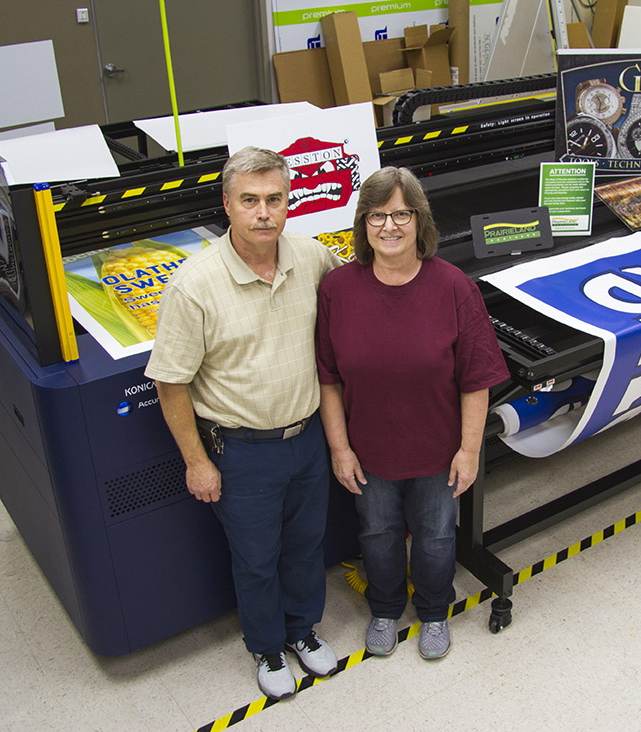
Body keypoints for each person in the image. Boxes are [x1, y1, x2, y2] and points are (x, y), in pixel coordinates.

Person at [145, 146, 341, 700]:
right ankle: (266, 646)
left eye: (274, 199)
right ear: (227, 204)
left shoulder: (311, 257)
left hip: (308, 439)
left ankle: (303, 631)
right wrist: (196, 462)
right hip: (241, 451)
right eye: (250, 201)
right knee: (256, 559)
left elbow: (358, 298)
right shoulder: (194, 285)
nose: (263, 213)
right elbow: (170, 383)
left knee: (306, 546)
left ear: (289, 202)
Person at [315, 166, 509, 660]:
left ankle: (432, 612)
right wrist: (340, 449)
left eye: (401, 214)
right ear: (363, 224)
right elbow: (328, 379)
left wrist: (469, 450)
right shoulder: (338, 289)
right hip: (369, 452)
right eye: (377, 215)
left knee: (436, 536)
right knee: (376, 536)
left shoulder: (454, 288)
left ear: (420, 221)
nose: (389, 226)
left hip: (437, 453)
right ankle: (384, 607)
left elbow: (476, 381)